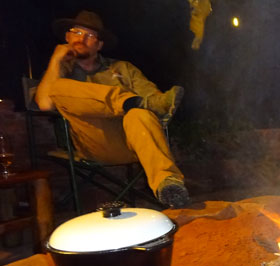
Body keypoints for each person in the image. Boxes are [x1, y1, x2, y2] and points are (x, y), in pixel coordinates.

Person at [34, 10, 190, 208]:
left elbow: (157, 99)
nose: (81, 39)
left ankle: (168, 184)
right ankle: (129, 101)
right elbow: (45, 103)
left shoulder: (123, 68)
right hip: (93, 142)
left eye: (90, 35)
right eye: (76, 32)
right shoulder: (60, 72)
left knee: (141, 112)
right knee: (58, 88)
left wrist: (149, 104)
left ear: (99, 45)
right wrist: (56, 60)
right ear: (67, 37)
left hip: (134, 140)